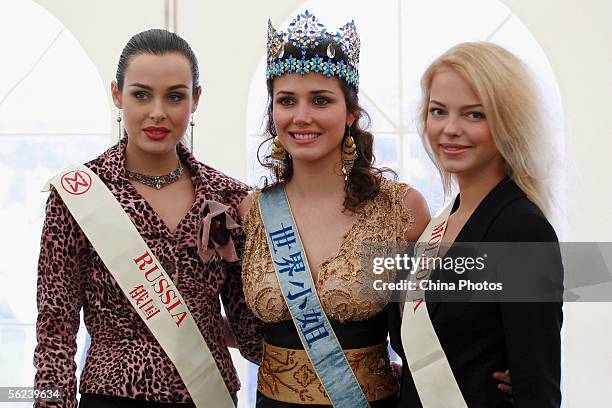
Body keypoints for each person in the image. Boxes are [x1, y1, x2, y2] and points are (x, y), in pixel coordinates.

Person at [34, 29, 261, 407]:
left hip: (208, 396)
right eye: (141, 94)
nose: (157, 112)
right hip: (110, 397)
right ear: (116, 94)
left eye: (175, 96)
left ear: (196, 99)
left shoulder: (229, 198)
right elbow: (54, 334)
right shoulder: (76, 196)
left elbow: (249, 330)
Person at [239, 11, 431, 408]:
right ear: (273, 112)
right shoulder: (252, 212)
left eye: (321, 100)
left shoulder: (400, 208)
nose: (301, 116)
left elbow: (435, 325)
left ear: (350, 114)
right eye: (287, 101)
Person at [389, 42, 563, 407]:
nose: (450, 129)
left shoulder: (522, 231)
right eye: (439, 111)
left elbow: (538, 390)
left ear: (508, 122)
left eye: (474, 115)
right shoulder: (440, 222)